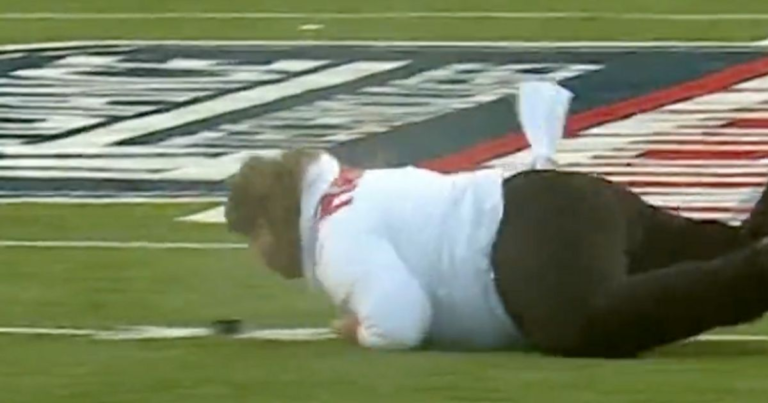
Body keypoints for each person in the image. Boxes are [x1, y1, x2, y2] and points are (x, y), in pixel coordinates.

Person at [224, 82, 768, 357]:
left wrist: (361, 332)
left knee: (582, 324)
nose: (258, 255)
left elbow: (400, 320)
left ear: (271, 224)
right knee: (726, 249)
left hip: (530, 248)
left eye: (254, 238)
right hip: (560, 199)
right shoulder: (349, 188)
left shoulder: (333, 240)